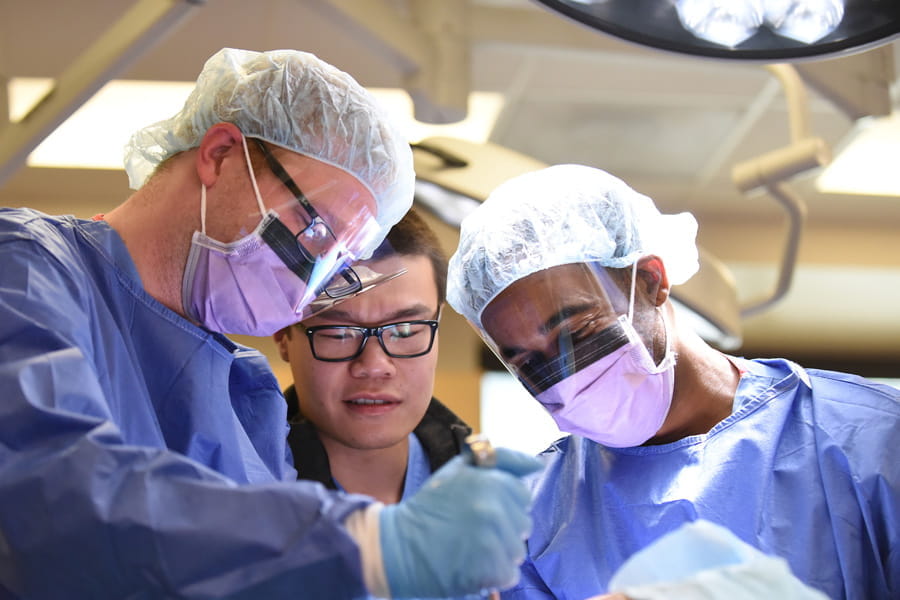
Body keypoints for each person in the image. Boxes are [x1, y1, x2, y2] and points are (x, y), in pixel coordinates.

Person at [0, 47, 541, 600]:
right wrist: (372, 547)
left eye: (336, 262)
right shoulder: (24, 270)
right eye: (314, 233)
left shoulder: (242, 393)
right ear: (221, 154)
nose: (311, 281)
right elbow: (44, 504)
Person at [447, 164, 899, 600]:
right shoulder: (533, 520)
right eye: (528, 362)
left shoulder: (869, 441)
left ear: (650, 281)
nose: (565, 379)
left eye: (578, 333)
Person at [274, 208, 473, 505]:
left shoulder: (489, 496)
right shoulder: (239, 495)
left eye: (405, 330)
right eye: (340, 333)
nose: (374, 366)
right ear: (281, 332)